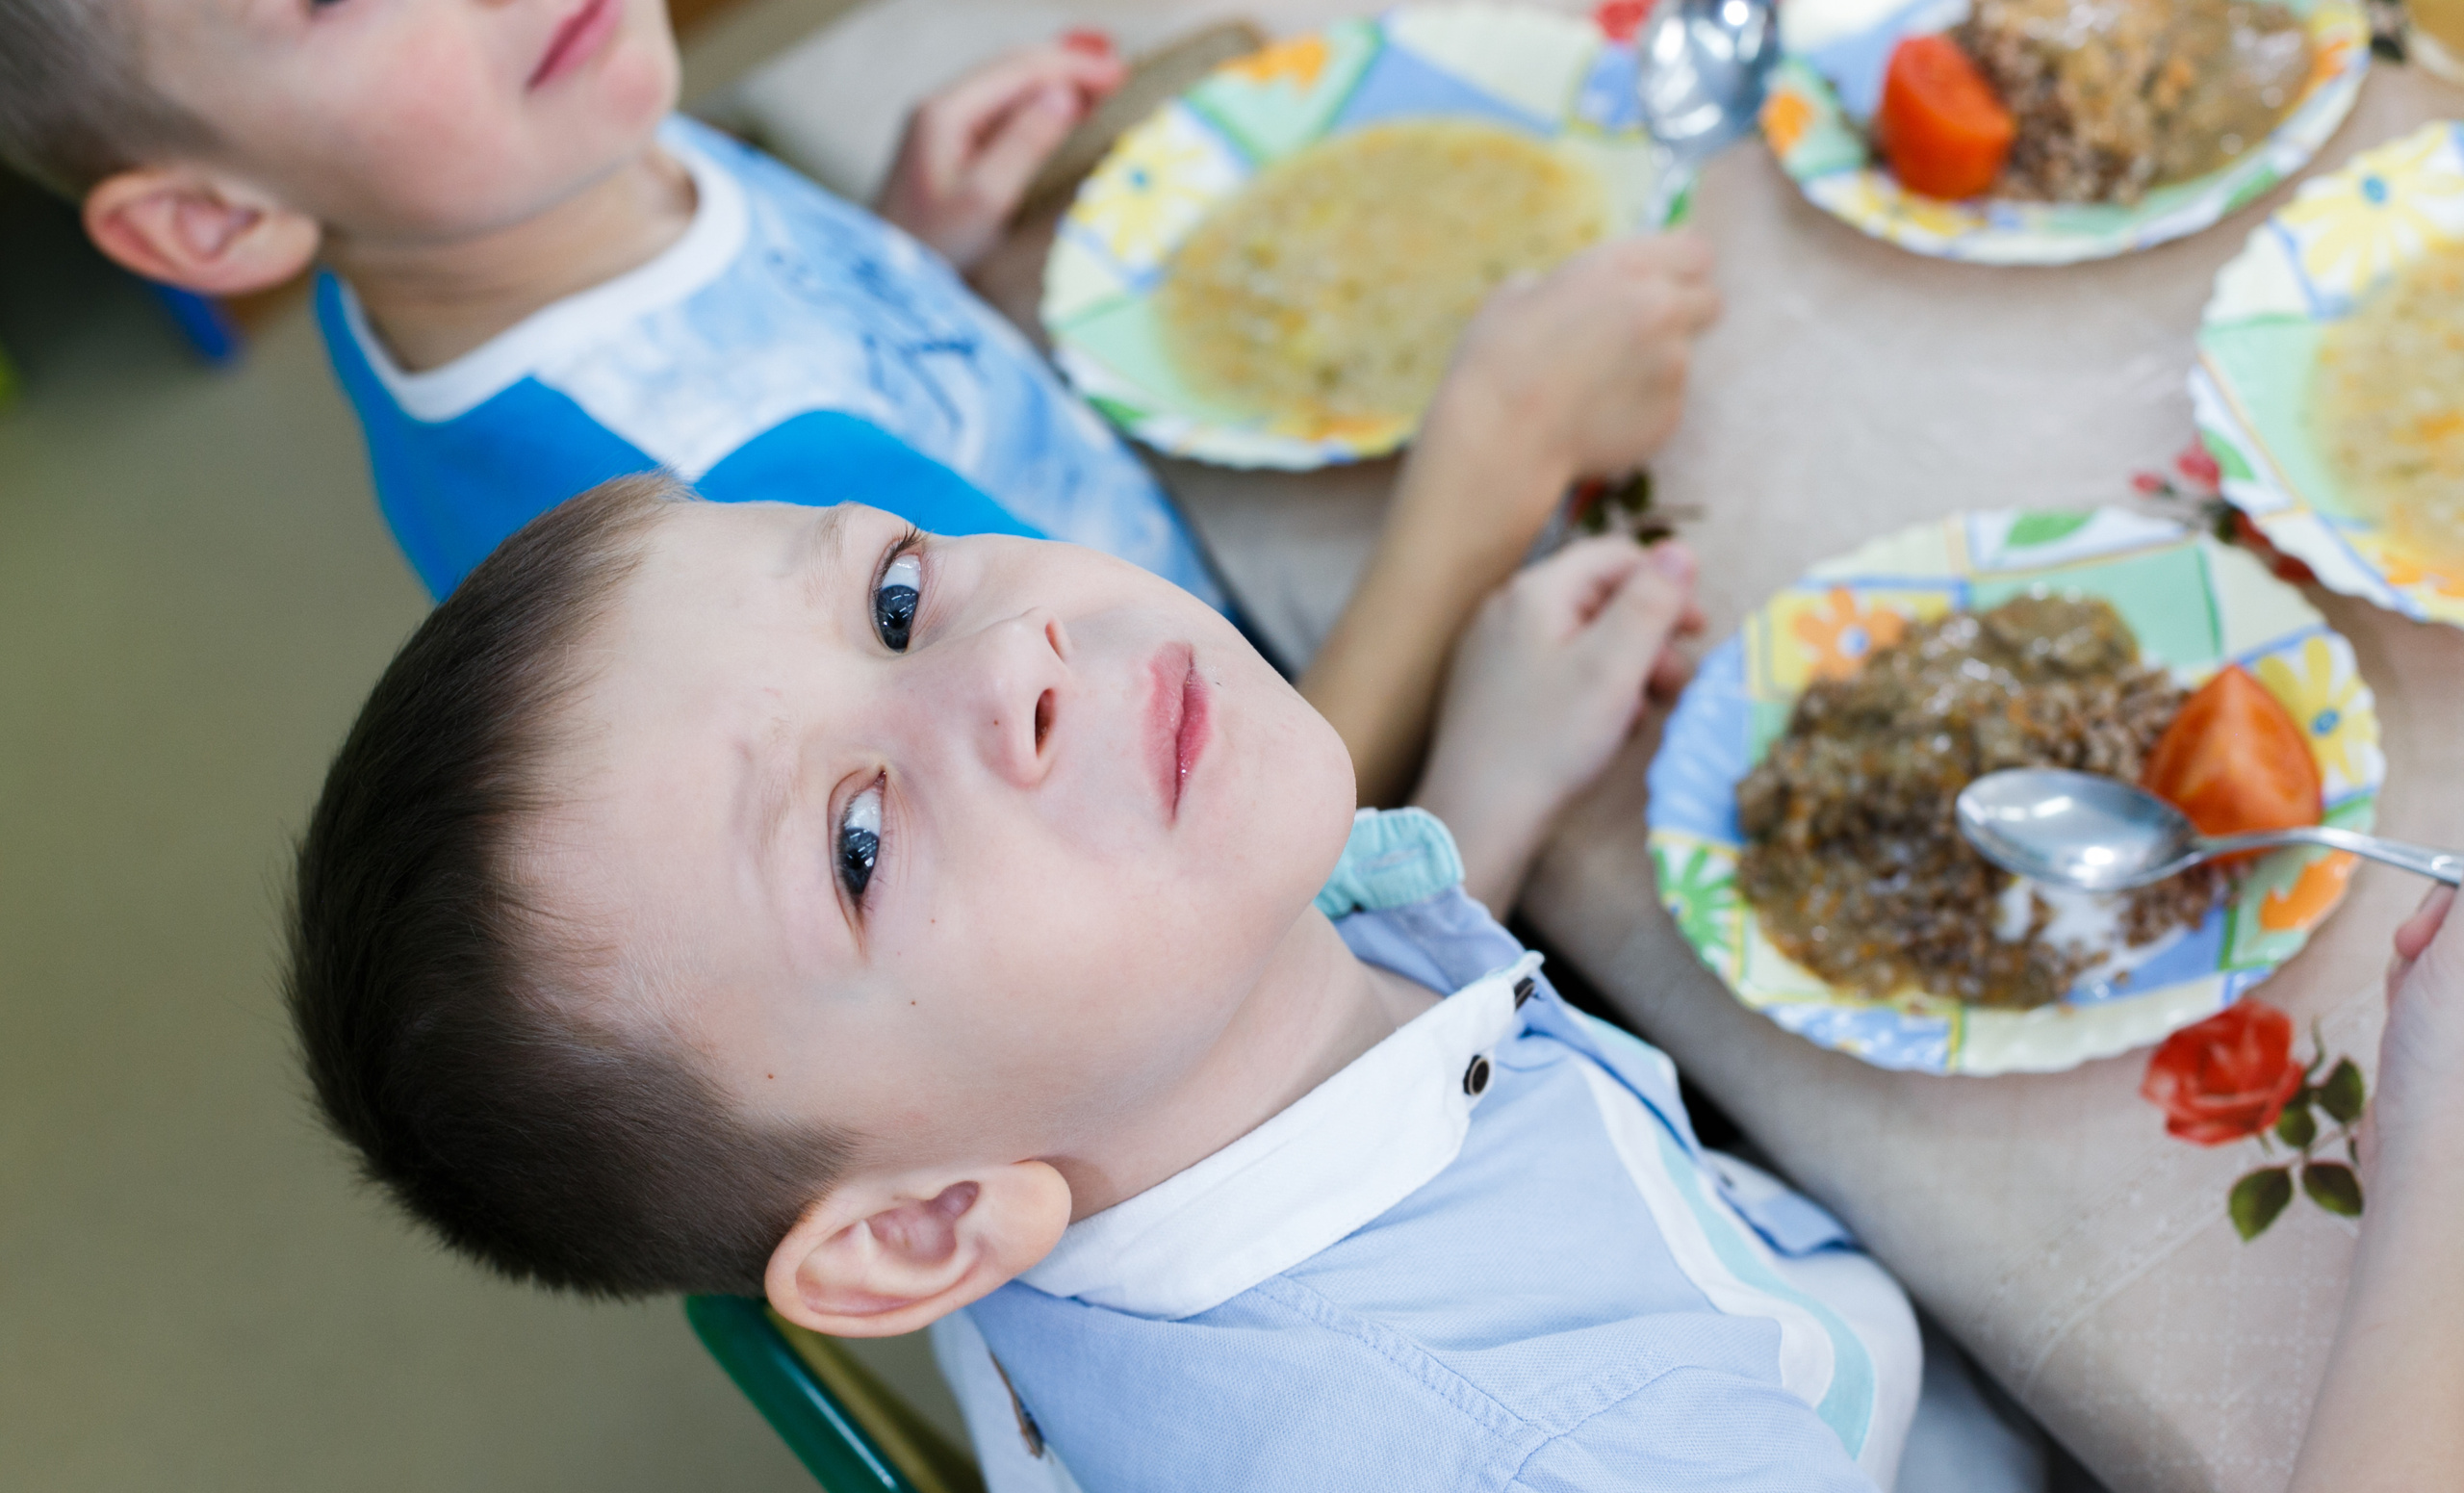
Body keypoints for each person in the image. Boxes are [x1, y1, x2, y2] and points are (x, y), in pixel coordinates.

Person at [290, 474, 2445, 1493]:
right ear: (924, 1223)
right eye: (852, 841)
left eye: (891, 593)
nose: (1011, 656)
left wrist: (1465, 802)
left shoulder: (1071, 1079)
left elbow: (1256, 997)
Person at [0, 0, 1718, 805]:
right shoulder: (724, 501)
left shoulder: (530, 176)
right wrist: (1495, 458)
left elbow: (737, 350)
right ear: (215, 224)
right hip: (1254, 745)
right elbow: (1234, 847)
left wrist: (914, 254)